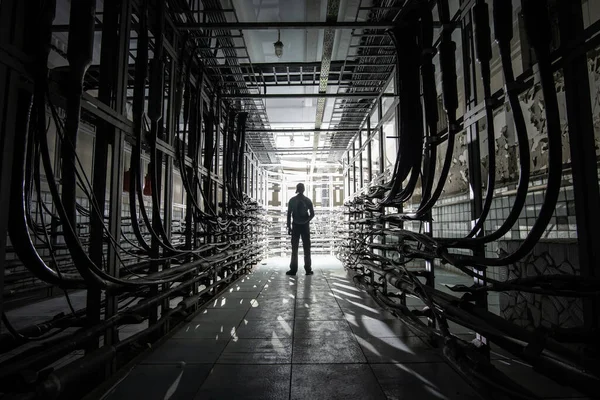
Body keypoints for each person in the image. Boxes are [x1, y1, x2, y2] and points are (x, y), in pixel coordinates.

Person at [286, 183, 315, 276]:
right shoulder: (307, 200)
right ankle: (308, 269)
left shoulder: (292, 200)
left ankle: (293, 270)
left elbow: (289, 214)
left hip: (295, 226)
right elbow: (312, 214)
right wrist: (306, 221)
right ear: (304, 189)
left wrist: (289, 227)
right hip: (305, 226)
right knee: (307, 248)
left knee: (294, 249)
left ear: (297, 189)